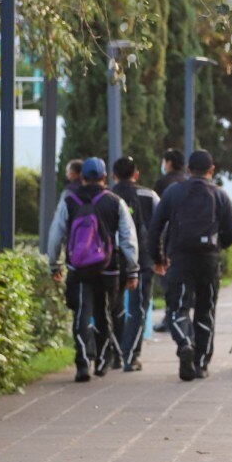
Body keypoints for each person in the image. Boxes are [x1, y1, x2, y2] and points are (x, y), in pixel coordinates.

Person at [148, 149, 232, 381]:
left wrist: (158, 258)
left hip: (180, 260)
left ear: (188, 169)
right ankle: (201, 363)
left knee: (177, 308)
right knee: (205, 311)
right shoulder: (219, 195)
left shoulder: (173, 192)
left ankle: (184, 343)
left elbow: (155, 227)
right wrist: (218, 247)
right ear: (212, 170)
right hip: (208, 261)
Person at [47, 157, 139, 382]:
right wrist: (132, 269)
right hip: (108, 267)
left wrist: (54, 264)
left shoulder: (69, 201)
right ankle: (102, 360)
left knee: (82, 313)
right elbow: (128, 238)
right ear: (105, 177)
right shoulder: (115, 202)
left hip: (78, 267)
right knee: (104, 313)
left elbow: (56, 234)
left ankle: (82, 362)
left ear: (82, 177)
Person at [111, 156, 160, 372]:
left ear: (113, 175)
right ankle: (130, 356)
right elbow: (161, 227)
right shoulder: (149, 196)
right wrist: (160, 257)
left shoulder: (107, 196)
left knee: (113, 307)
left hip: (111, 261)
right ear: (136, 174)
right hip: (142, 261)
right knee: (137, 308)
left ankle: (115, 354)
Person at [151, 147, 188, 334]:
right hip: (187, 239)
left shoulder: (163, 184)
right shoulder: (187, 183)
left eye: (164, 161)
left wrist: (156, 252)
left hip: (168, 239)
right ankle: (183, 317)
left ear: (169, 163)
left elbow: (157, 216)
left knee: (168, 281)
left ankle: (170, 317)